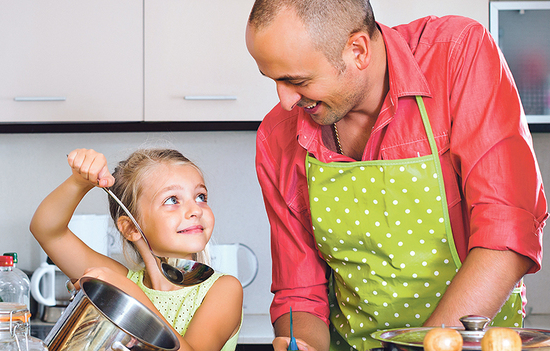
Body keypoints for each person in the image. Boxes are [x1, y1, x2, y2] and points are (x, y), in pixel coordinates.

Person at [245, 1, 548, 350]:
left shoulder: (456, 55)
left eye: (296, 80)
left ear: (358, 51)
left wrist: (429, 345)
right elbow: (299, 292)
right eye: (274, 81)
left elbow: (506, 236)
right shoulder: (277, 135)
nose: (284, 101)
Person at [30, 148, 243, 351]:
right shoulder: (122, 280)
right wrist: (79, 182)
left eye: (200, 197)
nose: (196, 209)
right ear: (132, 228)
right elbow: (48, 231)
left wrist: (129, 296)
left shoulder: (223, 290)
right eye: (172, 200)